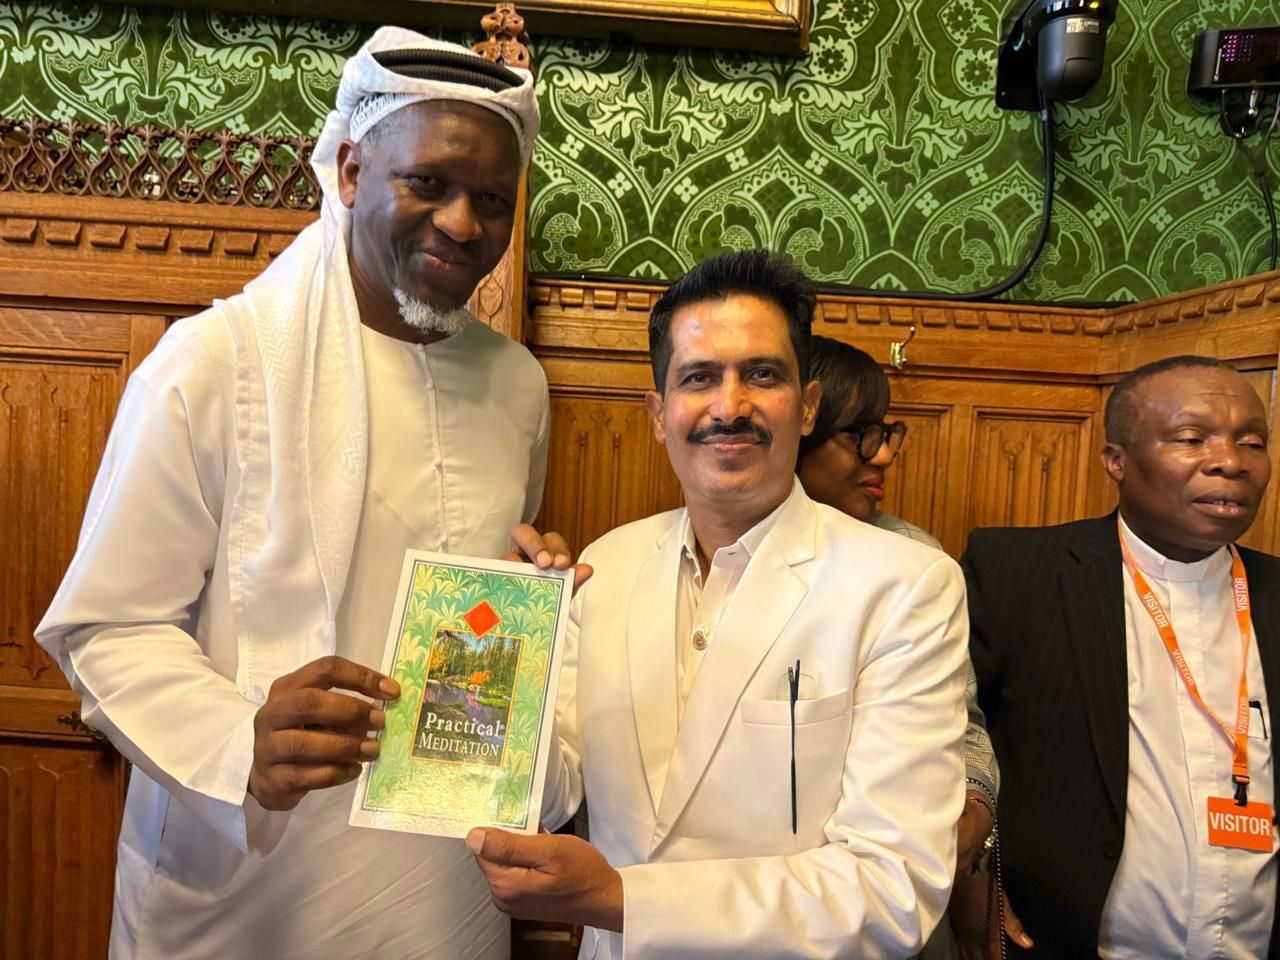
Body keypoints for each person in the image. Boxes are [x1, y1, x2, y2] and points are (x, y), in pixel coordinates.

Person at [36, 28, 577, 960]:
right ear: (353, 172)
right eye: (429, 183)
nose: (462, 224)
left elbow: (479, 601)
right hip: (241, 884)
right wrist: (240, 740)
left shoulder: (518, 384)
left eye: (491, 198)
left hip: (439, 886)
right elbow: (107, 628)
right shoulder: (212, 364)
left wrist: (535, 594)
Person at [467, 249, 970, 958]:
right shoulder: (605, 566)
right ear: (658, 413)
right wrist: (511, 647)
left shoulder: (906, 585)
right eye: (699, 377)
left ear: (807, 406)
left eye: (762, 375)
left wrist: (623, 899)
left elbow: (894, 887)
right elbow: (553, 796)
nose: (730, 407)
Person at [962, 355, 1280, 958]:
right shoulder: (1016, 574)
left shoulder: (1274, 593)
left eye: (1252, 443)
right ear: (1116, 461)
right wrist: (967, 875)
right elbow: (949, 738)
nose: (1230, 462)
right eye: (1192, 438)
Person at [796, 335, 999, 960]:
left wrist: (975, 811)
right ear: (797, 427)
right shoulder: (691, 554)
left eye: (885, 432)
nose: (883, 454)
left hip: (894, 904)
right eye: (858, 434)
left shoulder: (913, 558)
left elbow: (965, 728)